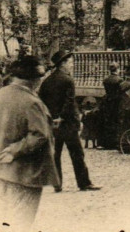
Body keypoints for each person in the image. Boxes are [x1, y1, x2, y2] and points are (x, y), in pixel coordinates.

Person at [0, 56, 59, 226]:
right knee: (21, 223)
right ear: (35, 80)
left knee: (2, 220)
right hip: (24, 172)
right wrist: (14, 150)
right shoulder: (32, 101)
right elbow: (40, 135)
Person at [38, 50, 100, 192]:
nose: (72, 65)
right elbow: (69, 102)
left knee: (55, 154)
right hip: (68, 124)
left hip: (53, 124)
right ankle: (84, 183)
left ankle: (57, 184)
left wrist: (52, 118)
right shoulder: (68, 80)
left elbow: (41, 101)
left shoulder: (47, 81)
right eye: (70, 62)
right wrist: (62, 117)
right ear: (63, 63)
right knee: (77, 153)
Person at [99, 63, 124, 149]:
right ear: (118, 69)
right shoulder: (120, 80)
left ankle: (107, 143)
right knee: (116, 121)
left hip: (107, 101)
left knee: (108, 121)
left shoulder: (106, 79)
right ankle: (115, 142)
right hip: (116, 102)